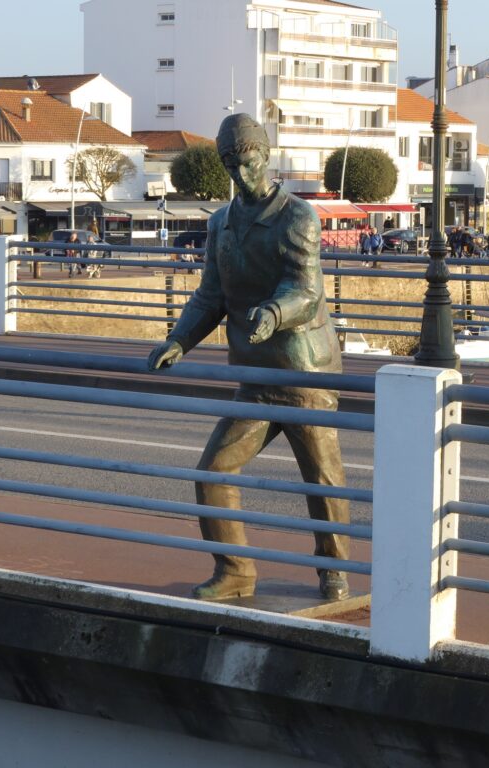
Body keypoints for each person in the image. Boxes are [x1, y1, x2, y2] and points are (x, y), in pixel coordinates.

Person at [146, 113, 351, 603]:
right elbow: (210, 296)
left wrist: (275, 313)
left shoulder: (298, 216)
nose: (242, 175)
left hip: (304, 369)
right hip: (255, 373)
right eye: (232, 167)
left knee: (321, 478)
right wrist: (179, 340)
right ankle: (235, 571)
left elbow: (306, 289)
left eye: (249, 162)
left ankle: (334, 573)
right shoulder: (221, 223)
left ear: (266, 156)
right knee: (213, 472)